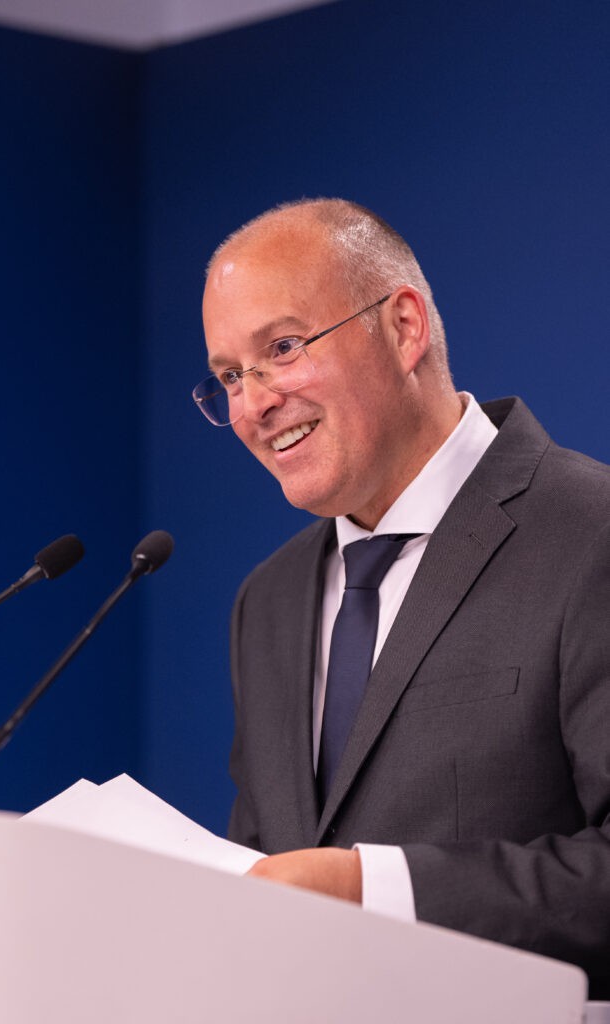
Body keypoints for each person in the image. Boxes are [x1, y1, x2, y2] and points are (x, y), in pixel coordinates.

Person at [193, 198, 610, 998]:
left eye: (281, 348)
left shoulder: (590, 533)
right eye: (229, 377)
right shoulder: (267, 602)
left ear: (404, 327)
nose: (251, 405)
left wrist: (371, 891)